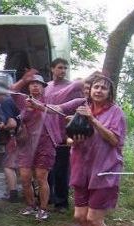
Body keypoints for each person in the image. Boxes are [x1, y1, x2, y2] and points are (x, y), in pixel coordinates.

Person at [32, 75, 126, 226]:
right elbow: (70, 139)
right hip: (82, 169)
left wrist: (92, 120)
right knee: (81, 216)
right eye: (96, 87)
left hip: (104, 171)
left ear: (110, 93)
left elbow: (115, 140)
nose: (99, 90)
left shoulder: (115, 113)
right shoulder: (82, 107)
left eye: (104, 88)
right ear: (90, 90)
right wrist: (73, 140)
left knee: (94, 217)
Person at [11, 74, 58, 220]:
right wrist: (23, 79)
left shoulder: (49, 101)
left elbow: (58, 111)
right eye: (32, 84)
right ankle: (30, 206)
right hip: (26, 144)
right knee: (25, 178)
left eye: (39, 84)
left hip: (45, 143)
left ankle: (43, 209)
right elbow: (11, 92)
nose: (35, 86)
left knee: (41, 178)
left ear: (44, 87)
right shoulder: (23, 101)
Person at [44, 58, 84, 211]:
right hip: (48, 134)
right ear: (52, 69)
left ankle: (61, 202)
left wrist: (73, 132)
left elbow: (80, 109)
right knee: (48, 168)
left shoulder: (72, 88)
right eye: (60, 68)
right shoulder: (46, 87)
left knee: (62, 169)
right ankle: (48, 197)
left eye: (65, 68)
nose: (63, 71)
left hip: (63, 134)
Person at [0, 82, 20, 202]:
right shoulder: (15, 99)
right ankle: (32, 194)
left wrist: (2, 127)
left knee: (8, 166)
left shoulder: (6, 102)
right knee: (25, 166)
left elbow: (13, 124)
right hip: (28, 137)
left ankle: (13, 195)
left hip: (16, 137)